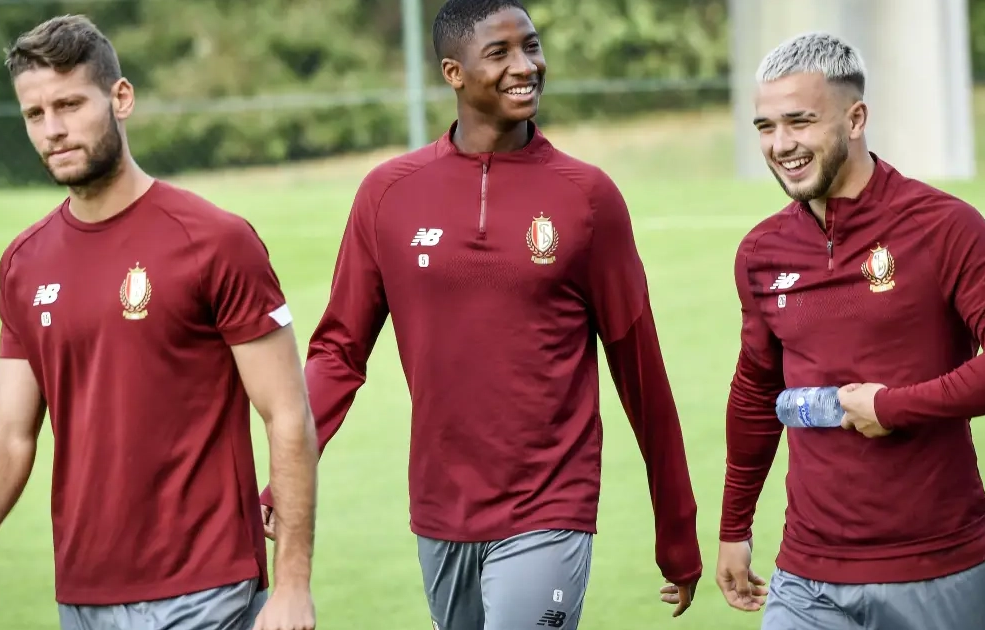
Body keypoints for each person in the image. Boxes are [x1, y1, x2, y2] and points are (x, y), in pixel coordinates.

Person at [257, 0, 702, 628]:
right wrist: (285, 479)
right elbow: (338, 353)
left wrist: (676, 526)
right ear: (454, 73)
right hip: (440, 511)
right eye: (500, 53)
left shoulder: (588, 198)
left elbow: (641, 371)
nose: (526, 66)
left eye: (532, 46)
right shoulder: (387, 195)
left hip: (551, 505)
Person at [0, 15, 319, 630]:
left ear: (120, 98)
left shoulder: (215, 241)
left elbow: (287, 415)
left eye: (70, 105)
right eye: (34, 114)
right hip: (83, 595)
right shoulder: (24, 263)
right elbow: (10, 432)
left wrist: (292, 585)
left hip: (205, 588)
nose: (53, 129)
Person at [715, 31, 985, 630]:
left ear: (856, 118)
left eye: (800, 122)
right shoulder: (761, 252)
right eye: (766, 127)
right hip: (806, 578)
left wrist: (893, 407)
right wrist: (734, 527)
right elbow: (755, 392)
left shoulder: (944, 226)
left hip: (941, 568)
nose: (781, 145)